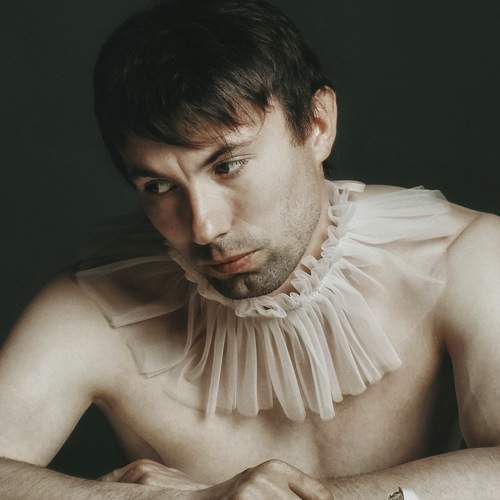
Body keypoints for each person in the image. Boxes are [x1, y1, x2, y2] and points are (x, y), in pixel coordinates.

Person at [0, 0, 498, 498]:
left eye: (228, 166)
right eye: (159, 187)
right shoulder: (97, 308)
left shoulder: (463, 257)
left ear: (317, 125)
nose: (204, 228)